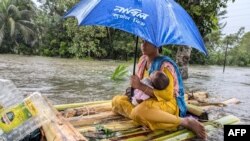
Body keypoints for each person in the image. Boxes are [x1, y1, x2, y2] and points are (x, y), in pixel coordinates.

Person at [112, 40, 206, 139]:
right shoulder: (142, 60)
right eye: (142, 42)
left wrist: (140, 86)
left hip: (168, 104)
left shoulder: (165, 65)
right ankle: (148, 119)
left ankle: (184, 121)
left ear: (157, 44)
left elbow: (167, 95)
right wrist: (132, 91)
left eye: (147, 42)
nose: (143, 45)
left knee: (138, 112)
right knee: (117, 101)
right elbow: (140, 85)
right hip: (145, 101)